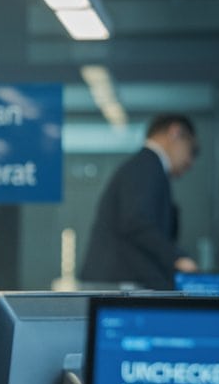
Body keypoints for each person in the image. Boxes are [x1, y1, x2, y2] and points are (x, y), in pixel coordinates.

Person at [80, 113, 201, 290]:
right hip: (119, 285)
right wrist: (177, 258)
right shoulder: (147, 166)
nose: (190, 162)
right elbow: (136, 222)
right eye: (192, 151)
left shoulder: (146, 166)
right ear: (176, 132)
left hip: (118, 283)